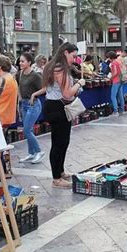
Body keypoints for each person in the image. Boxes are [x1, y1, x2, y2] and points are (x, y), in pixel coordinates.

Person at [41, 43, 85, 189]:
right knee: (59, 142)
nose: (75, 59)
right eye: (73, 56)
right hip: (57, 108)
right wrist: (79, 84)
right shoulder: (60, 69)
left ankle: (60, 171)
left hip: (56, 106)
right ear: (66, 53)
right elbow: (67, 93)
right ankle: (56, 177)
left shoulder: (54, 66)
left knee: (63, 141)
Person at [14, 53, 45, 164]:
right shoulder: (20, 73)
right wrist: (20, 99)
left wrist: (33, 95)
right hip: (24, 104)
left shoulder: (35, 75)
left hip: (34, 104)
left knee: (27, 130)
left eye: (23, 61)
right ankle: (31, 153)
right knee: (28, 130)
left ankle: (38, 151)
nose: (20, 63)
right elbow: (17, 86)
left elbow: (45, 88)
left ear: (29, 62)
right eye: (20, 61)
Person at [107, 51, 125, 115]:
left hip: (116, 81)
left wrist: (110, 78)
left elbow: (115, 72)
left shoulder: (113, 63)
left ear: (110, 57)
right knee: (120, 95)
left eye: (108, 57)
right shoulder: (118, 61)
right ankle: (122, 110)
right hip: (121, 80)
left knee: (113, 96)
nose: (108, 59)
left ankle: (115, 111)